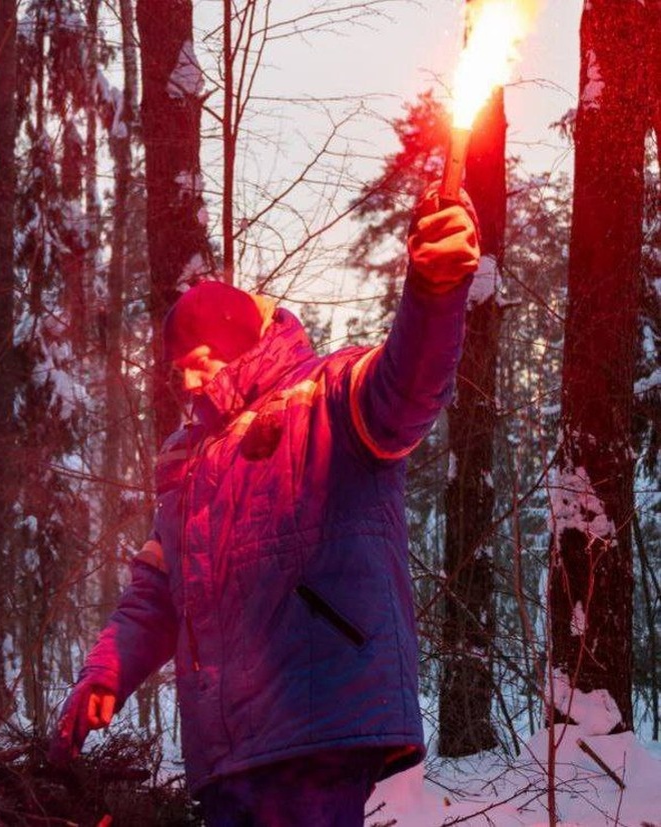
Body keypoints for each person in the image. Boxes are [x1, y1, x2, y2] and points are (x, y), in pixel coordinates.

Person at [50, 186, 481, 826]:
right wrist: (106, 674)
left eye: (199, 362)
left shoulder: (327, 396)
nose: (190, 383)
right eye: (178, 372)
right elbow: (154, 593)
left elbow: (410, 383)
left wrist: (434, 292)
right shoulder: (184, 461)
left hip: (318, 723)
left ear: (236, 342)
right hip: (227, 749)